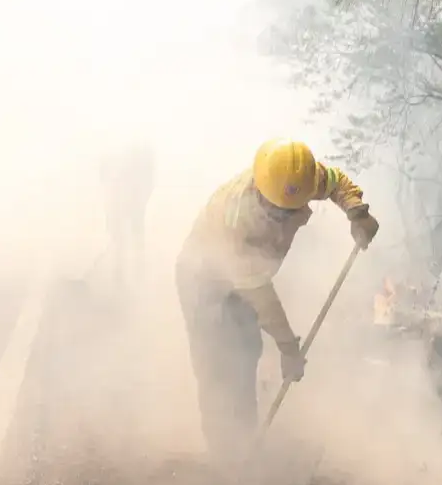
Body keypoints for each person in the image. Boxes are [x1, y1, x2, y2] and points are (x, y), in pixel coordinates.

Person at [175, 138, 380, 461]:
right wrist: (288, 348)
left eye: (289, 211)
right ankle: (225, 462)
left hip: (247, 280)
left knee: (246, 354)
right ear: (260, 191)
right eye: (276, 210)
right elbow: (261, 298)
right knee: (217, 364)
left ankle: (244, 447)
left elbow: (336, 182)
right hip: (204, 282)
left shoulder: (296, 182)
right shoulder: (237, 217)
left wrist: (357, 211)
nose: (282, 216)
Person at [99, 145, 155, 288]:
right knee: (122, 240)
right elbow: (105, 178)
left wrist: (140, 198)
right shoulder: (120, 157)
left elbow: (149, 180)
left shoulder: (139, 156)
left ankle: (135, 273)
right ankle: (122, 274)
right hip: (123, 202)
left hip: (133, 203)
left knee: (132, 238)